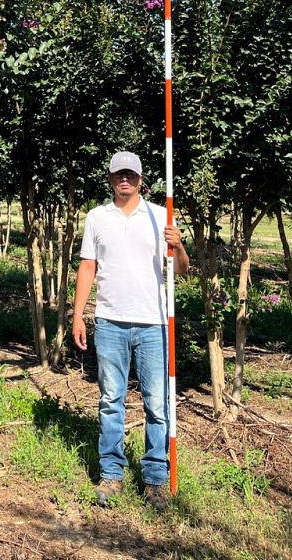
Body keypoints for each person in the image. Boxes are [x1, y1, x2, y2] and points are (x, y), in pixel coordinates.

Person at [72, 151, 189, 513]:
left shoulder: (159, 217)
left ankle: (155, 478)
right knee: (111, 401)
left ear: (141, 179)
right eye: (119, 174)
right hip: (109, 322)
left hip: (153, 324)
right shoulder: (96, 218)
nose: (125, 180)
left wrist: (179, 245)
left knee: (157, 403)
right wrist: (79, 314)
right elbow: (88, 267)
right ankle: (111, 473)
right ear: (110, 179)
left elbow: (181, 271)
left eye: (131, 175)